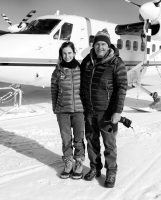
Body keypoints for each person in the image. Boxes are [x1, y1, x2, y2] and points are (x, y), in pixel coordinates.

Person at [80, 29, 128, 188]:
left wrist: (118, 111)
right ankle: (95, 168)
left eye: (103, 44)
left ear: (108, 46)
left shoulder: (116, 63)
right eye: (97, 44)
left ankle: (111, 172)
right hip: (89, 111)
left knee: (109, 145)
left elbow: (122, 88)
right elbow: (81, 85)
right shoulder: (87, 61)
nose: (100, 47)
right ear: (93, 46)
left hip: (107, 113)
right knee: (91, 142)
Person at [51, 41, 85, 179]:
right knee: (66, 139)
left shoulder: (81, 69)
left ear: (74, 53)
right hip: (62, 110)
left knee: (78, 139)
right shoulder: (57, 71)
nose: (67, 56)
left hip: (79, 110)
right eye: (64, 53)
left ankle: (79, 162)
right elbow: (54, 89)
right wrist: (55, 107)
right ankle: (68, 162)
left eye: (69, 53)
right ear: (61, 55)